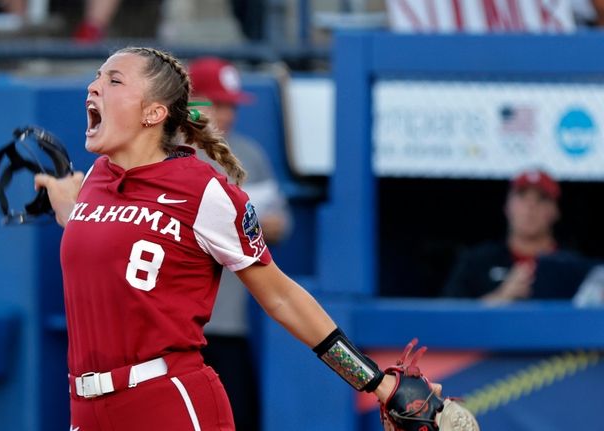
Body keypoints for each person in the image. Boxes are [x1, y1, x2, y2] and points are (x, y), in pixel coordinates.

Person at [34, 46, 433, 430]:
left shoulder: (202, 189)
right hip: (86, 407)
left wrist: (376, 383)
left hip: (164, 400)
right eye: (97, 77)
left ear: (154, 112)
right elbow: (109, 233)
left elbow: (280, 296)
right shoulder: (97, 180)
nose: (94, 86)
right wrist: (66, 201)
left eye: (114, 80)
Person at [188, 56, 290, 430]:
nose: (225, 114)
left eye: (230, 105)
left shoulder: (247, 155)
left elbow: (279, 223)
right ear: (191, 101)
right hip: (175, 326)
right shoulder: (167, 155)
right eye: (215, 103)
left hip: (229, 321)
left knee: (238, 417)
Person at [442, 169, 582, 301]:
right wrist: (502, 296)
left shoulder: (573, 267)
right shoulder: (477, 262)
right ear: (507, 207)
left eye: (541, 198)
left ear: (555, 211)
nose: (530, 206)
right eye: (522, 196)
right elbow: (448, 318)